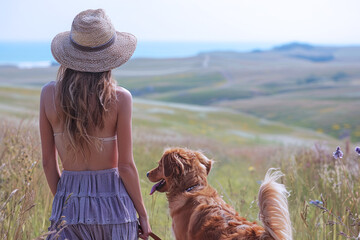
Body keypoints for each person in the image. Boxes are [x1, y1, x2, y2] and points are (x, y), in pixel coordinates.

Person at [39, 9, 151, 240]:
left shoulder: (48, 94)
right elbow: (126, 166)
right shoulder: (121, 98)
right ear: (110, 57)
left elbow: (49, 163)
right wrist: (143, 214)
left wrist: (66, 202)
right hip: (116, 208)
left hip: (69, 208)